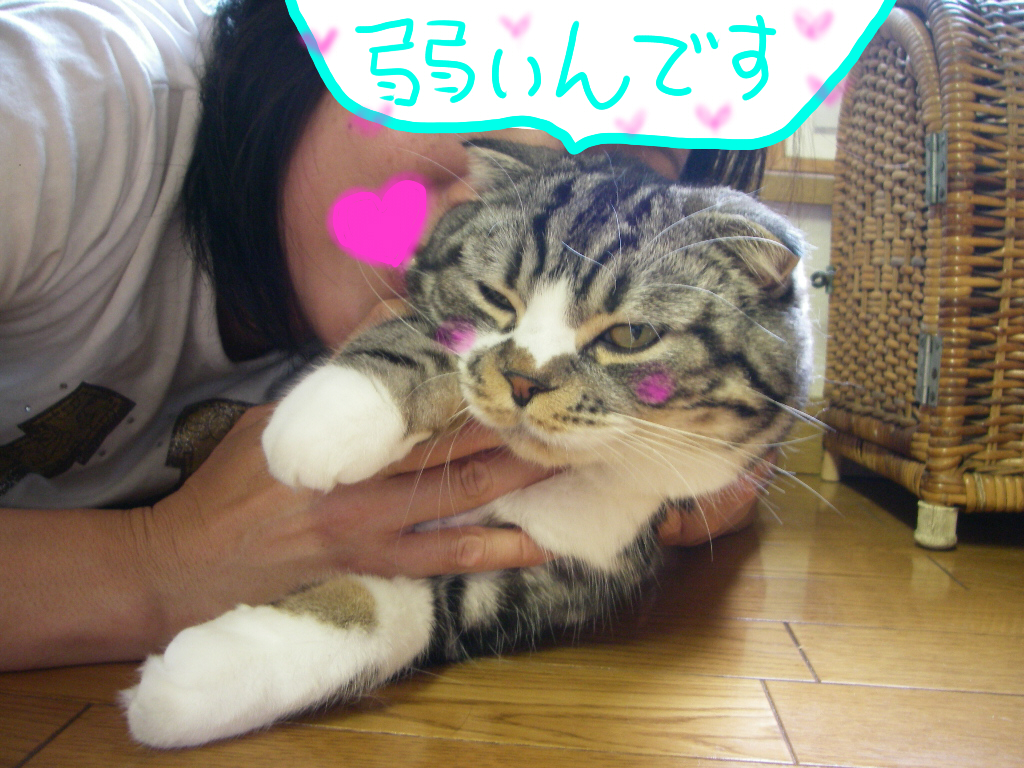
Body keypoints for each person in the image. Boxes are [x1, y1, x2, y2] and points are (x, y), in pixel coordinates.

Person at [0, 0, 768, 671]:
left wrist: (700, 462)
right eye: (463, 80)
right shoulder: (57, 113)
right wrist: (158, 566)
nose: (503, 210)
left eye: (609, 154)